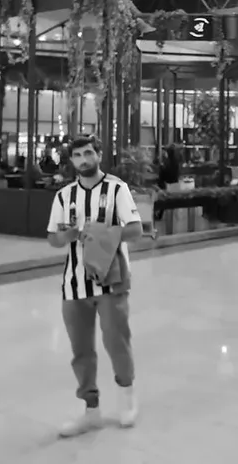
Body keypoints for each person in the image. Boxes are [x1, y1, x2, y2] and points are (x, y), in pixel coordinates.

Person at [46, 135, 144, 437]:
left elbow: (136, 230)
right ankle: (90, 410)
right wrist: (67, 236)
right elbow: (53, 238)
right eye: (77, 155)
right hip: (74, 285)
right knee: (81, 350)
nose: (83, 160)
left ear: (99, 154)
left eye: (88, 153)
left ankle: (127, 399)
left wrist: (102, 233)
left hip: (111, 281)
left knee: (117, 341)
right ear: (71, 161)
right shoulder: (64, 196)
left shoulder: (117, 189)